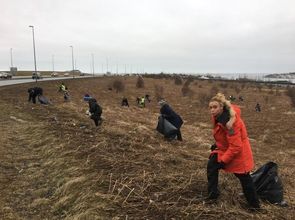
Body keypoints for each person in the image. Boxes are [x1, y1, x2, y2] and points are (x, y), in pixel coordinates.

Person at [207, 93, 260, 210]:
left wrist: (223, 161)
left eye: (215, 107)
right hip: (226, 150)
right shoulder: (218, 117)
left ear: (222, 107)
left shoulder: (231, 123)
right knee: (212, 165)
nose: (212, 110)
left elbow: (236, 146)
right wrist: (217, 145)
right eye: (210, 107)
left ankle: (255, 206)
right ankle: (212, 195)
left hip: (239, 155)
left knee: (244, 178)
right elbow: (223, 136)